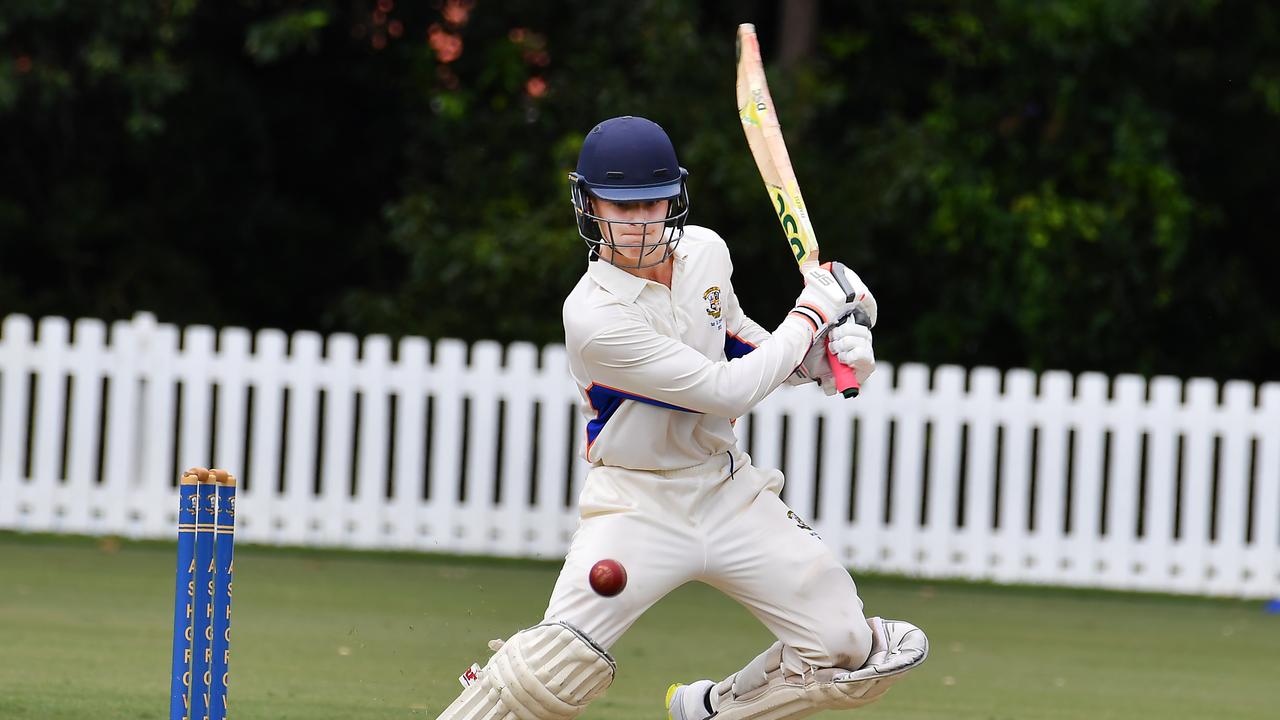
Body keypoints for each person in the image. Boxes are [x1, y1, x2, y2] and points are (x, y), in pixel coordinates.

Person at [436, 116, 927, 720]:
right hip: (636, 503)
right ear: (589, 205)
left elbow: (740, 348)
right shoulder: (592, 317)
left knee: (846, 651)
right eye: (622, 206)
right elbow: (724, 391)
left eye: (653, 202)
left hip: (726, 489)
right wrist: (811, 314)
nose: (641, 221)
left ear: (675, 197)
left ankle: (712, 710)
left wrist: (822, 360)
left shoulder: (706, 252)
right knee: (549, 669)